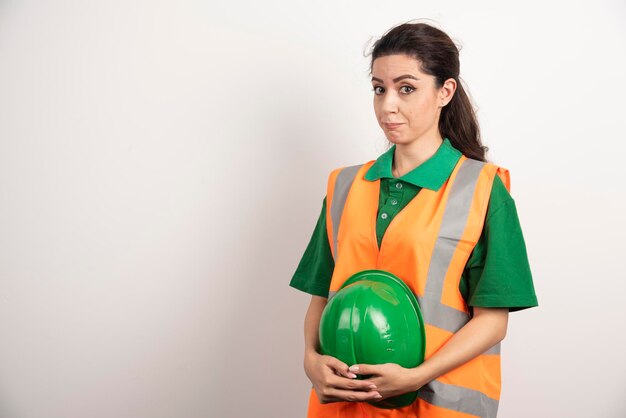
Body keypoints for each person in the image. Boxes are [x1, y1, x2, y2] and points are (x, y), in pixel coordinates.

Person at [289, 21, 538, 418]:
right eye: (379, 88)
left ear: (445, 91)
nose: (388, 105)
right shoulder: (344, 185)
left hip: (437, 405)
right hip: (346, 407)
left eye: (406, 88)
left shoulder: (484, 188)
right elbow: (322, 294)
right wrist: (309, 358)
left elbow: (493, 321)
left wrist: (417, 375)